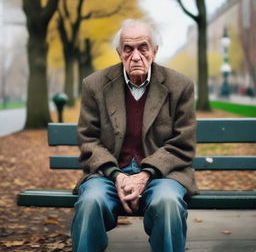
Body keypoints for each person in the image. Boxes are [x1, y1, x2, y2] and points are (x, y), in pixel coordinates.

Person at [71, 19, 198, 252]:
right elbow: (89, 140)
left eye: (143, 47)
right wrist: (117, 176)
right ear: (119, 53)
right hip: (108, 175)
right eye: (128, 49)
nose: (136, 56)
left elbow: (183, 142)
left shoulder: (180, 85)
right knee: (90, 202)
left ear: (155, 51)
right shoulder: (94, 85)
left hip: (162, 176)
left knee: (167, 203)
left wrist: (145, 175)